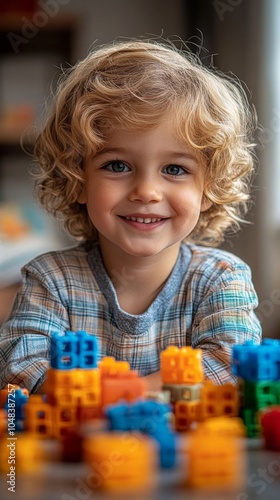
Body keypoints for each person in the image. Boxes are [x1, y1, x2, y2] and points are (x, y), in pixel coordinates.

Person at [0, 39, 261, 393]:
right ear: (78, 179)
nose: (146, 191)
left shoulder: (220, 279)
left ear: (208, 188)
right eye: (118, 165)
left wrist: (124, 393)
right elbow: (23, 368)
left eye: (174, 168)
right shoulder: (51, 281)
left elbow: (230, 364)